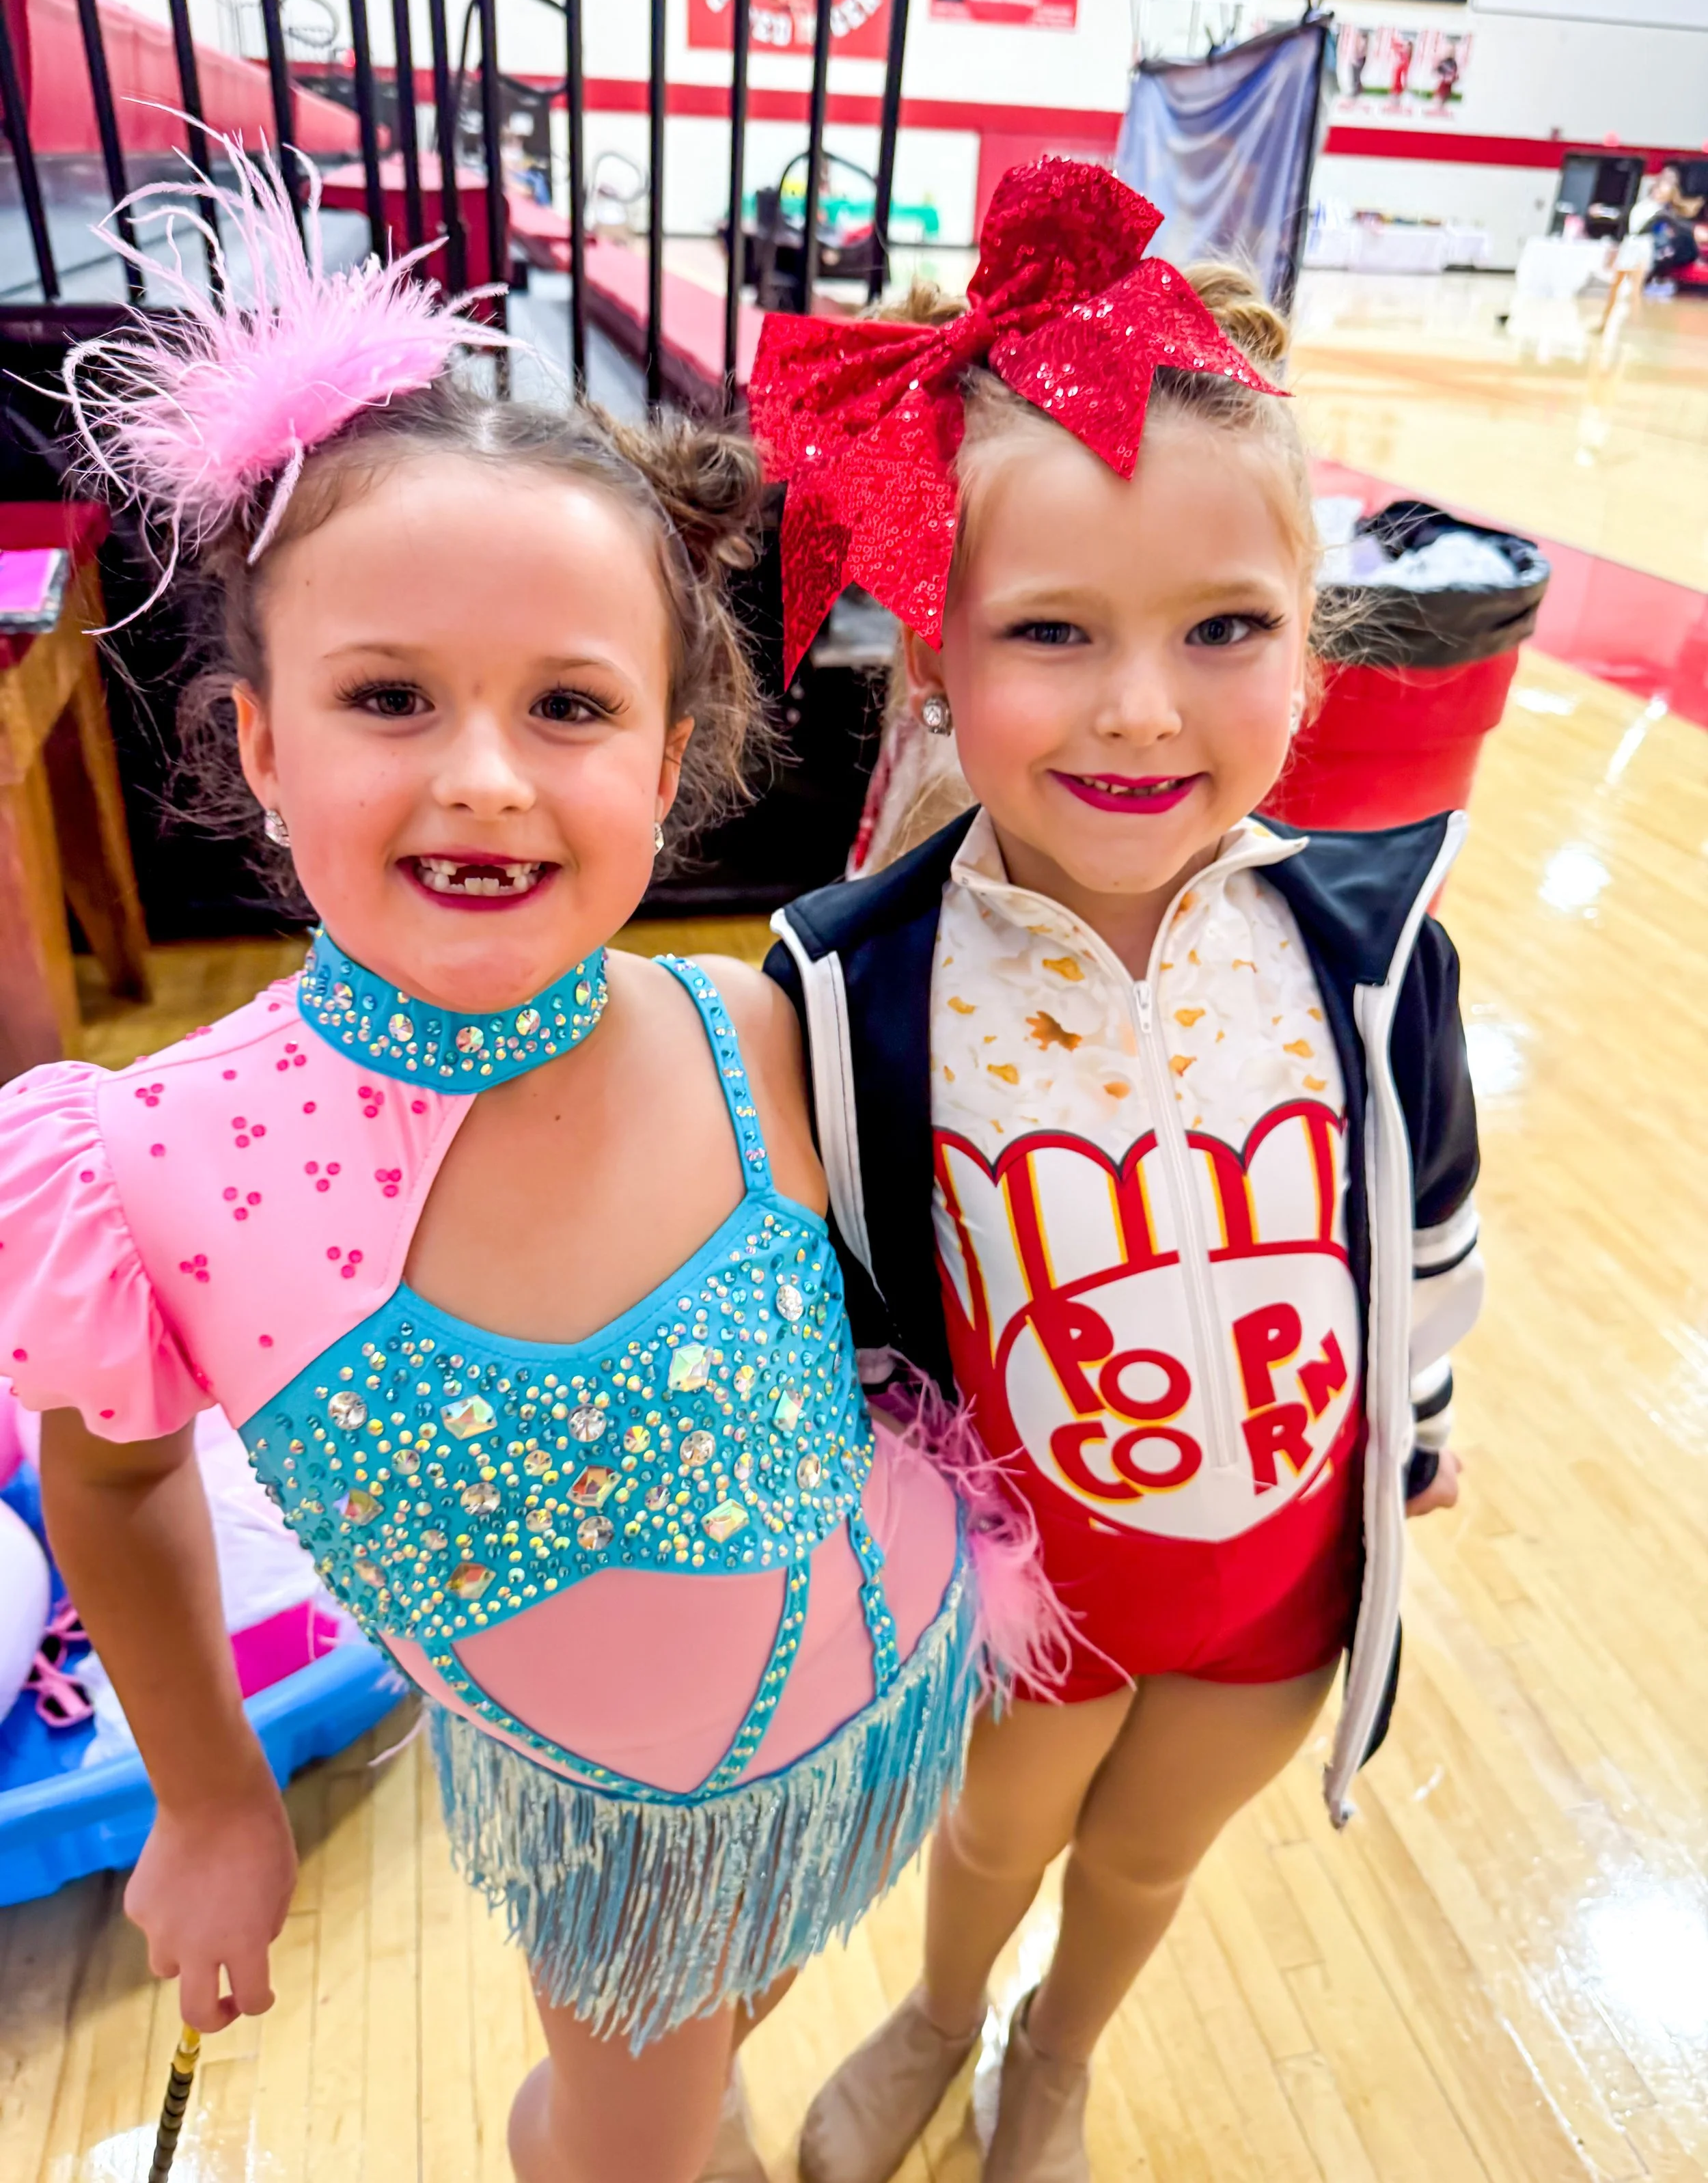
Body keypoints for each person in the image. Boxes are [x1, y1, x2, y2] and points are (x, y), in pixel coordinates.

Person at [0, 142, 1040, 2183]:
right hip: (617, 1816)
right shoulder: (143, 1166)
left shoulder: (746, 1026)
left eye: (567, 704)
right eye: (391, 695)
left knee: (699, 2053)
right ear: (262, 741)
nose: (482, 769)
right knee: (639, 2142)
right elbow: (111, 1487)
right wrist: (211, 1801)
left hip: (889, 1685)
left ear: (666, 765)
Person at [750, 160, 1484, 2183]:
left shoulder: (1375, 938)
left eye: (1223, 627)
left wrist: (1414, 1423)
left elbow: (1425, 1227)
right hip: (1032, 1582)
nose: (1143, 707)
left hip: (1285, 1576)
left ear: (1309, 647)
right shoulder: (852, 980)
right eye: (1052, 631)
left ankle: (1055, 2059)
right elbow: (833, 1307)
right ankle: (939, 2009)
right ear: (936, 654)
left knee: (1147, 1863)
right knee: (997, 1829)